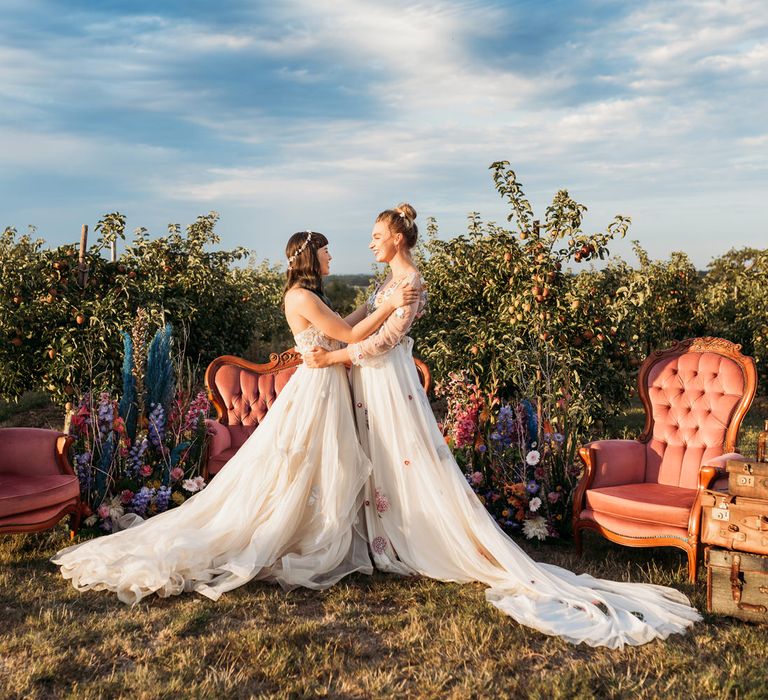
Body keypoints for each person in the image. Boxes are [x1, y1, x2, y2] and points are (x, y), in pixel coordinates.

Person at [303, 204, 702, 648]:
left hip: (387, 379)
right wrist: (328, 339)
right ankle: (382, 534)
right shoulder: (387, 283)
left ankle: (415, 537)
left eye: (377, 234)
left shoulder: (411, 281)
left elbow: (385, 340)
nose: (372, 242)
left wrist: (333, 357)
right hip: (368, 380)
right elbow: (358, 322)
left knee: (404, 454)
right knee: (379, 458)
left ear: (398, 238)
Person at [52, 230, 418, 605]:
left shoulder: (312, 296)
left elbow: (342, 324)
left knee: (329, 461)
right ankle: (305, 534)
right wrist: (389, 306)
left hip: (327, 386)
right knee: (309, 462)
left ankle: (328, 529)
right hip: (318, 389)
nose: (331, 258)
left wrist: (377, 301)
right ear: (310, 257)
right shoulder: (300, 296)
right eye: (326, 251)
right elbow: (350, 333)